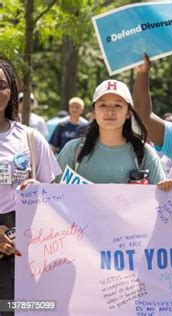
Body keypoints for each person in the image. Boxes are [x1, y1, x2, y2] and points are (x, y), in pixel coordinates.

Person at [0, 59, 61, 303]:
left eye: (2, 84)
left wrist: (40, 190)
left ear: (12, 91)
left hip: (21, 248)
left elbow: (56, 194)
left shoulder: (30, 138)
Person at [56, 79, 166, 184]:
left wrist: (166, 187)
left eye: (117, 105)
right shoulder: (73, 151)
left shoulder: (143, 153)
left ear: (129, 113)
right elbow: (53, 195)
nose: (110, 111)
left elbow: (163, 198)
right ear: (94, 112)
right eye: (103, 105)